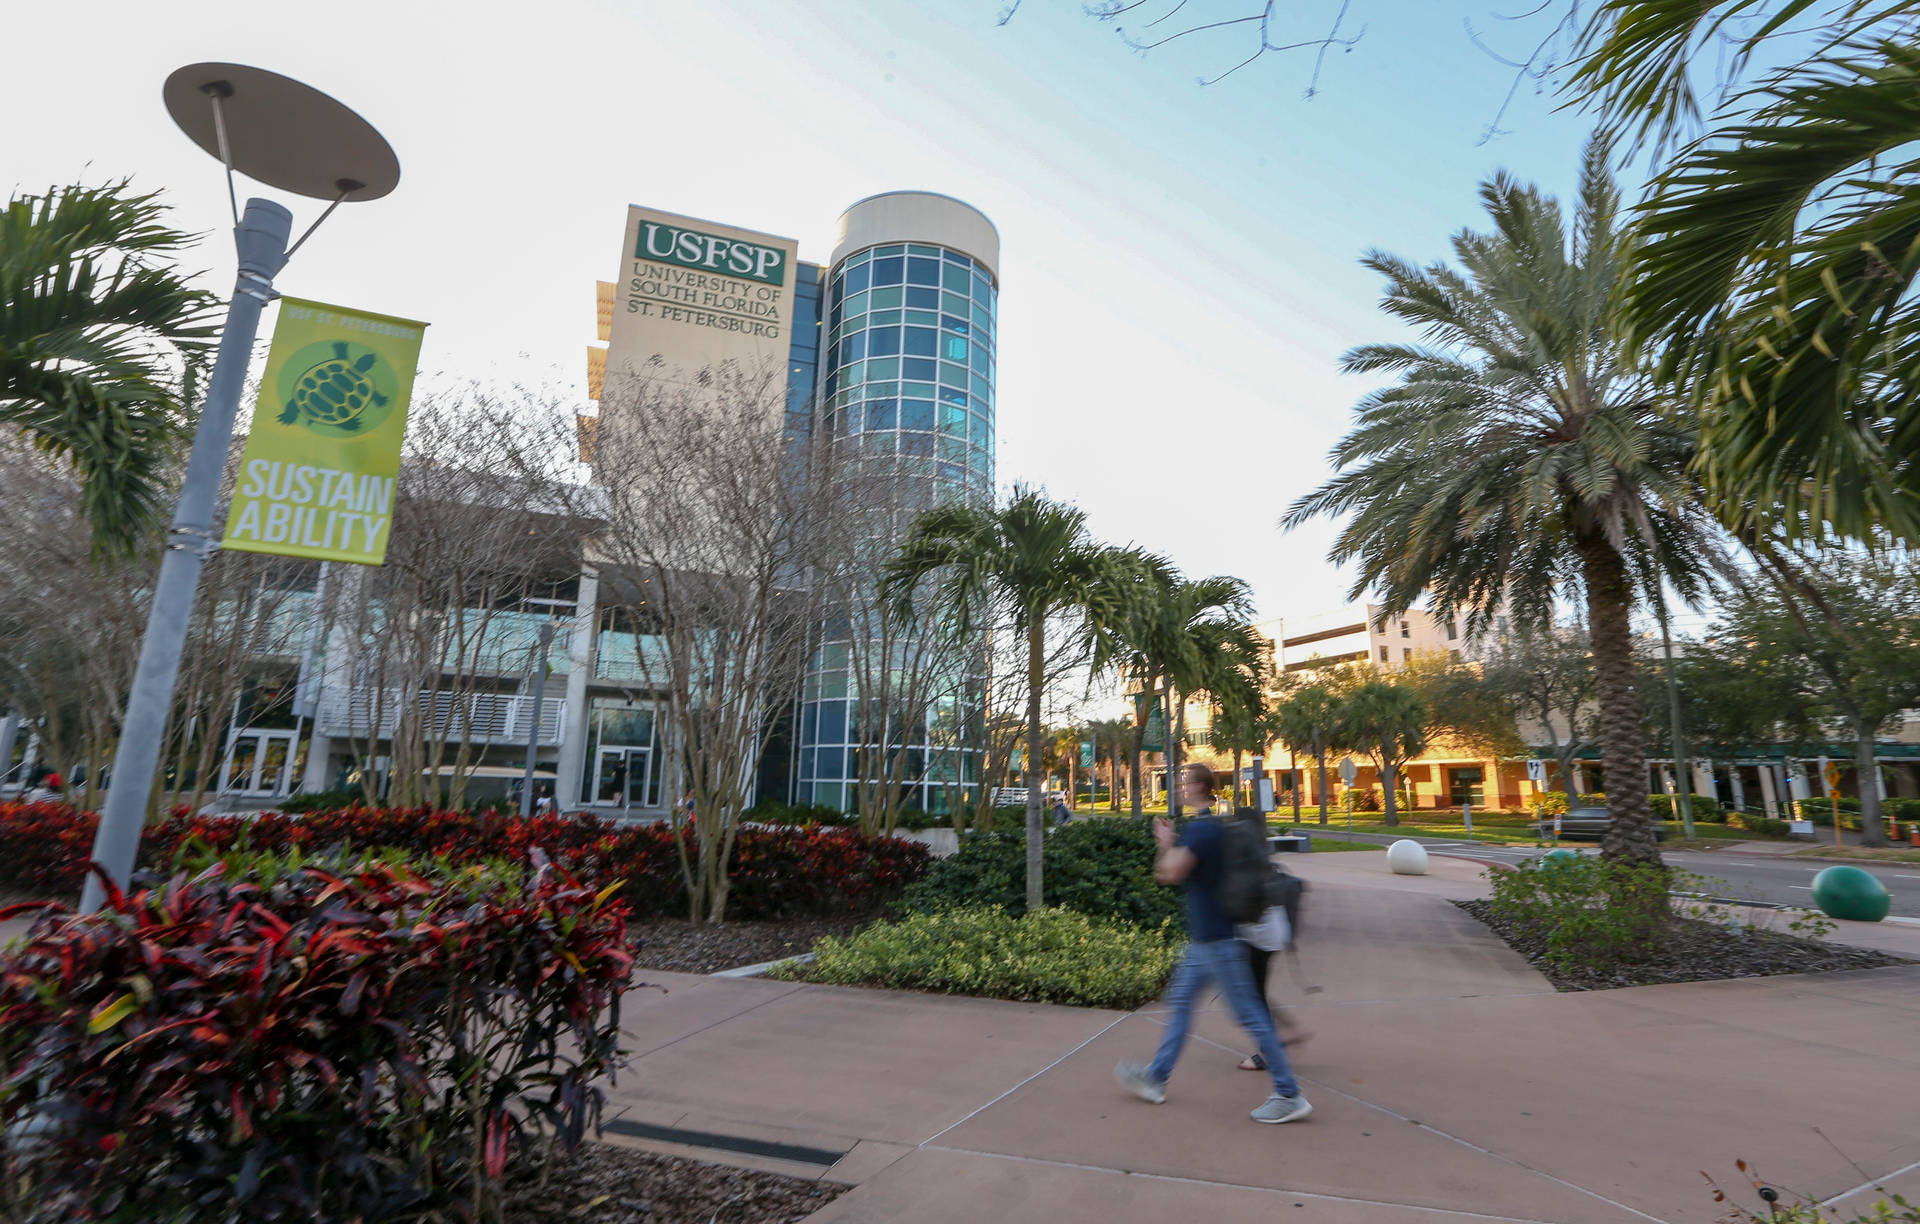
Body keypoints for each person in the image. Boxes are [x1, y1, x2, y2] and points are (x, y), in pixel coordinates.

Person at [1115, 762, 1311, 1124]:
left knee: (1250, 1016)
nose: (1178, 787)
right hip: (1205, 941)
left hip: (1218, 942)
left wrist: (1164, 844)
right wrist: (1174, 844)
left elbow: (1168, 873)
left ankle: (1289, 1093)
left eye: (1182, 782)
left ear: (1198, 788)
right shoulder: (1208, 828)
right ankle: (1156, 1078)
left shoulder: (1202, 830)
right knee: (1181, 1005)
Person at [1229, 806, 1312, 1072]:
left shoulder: (1246, 855)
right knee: (1253, 992)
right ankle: (1287, 1032)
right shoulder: (1260, 850)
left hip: (1260, 935)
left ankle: (1270, 1049)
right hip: (1272, 932)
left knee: (1250, 995)